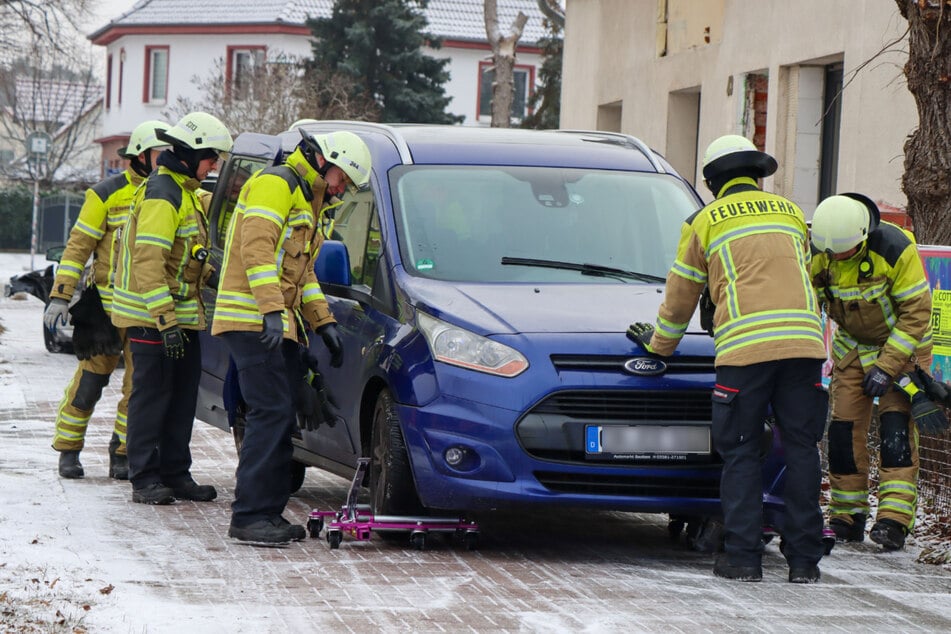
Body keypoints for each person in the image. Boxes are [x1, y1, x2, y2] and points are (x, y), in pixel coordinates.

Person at [627, 134, 829, 583]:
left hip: (745, 353)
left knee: (740, 454)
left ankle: (742, 559)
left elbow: (681, 297)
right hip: (805, 349)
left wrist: (659, 346)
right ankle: (804, 562)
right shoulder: (793, 214)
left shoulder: (705, 221)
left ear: (714, 181)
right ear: (757, 177)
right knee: (801, 450)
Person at [212, 129, 371, 544]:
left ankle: (266, 512)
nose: (341, 191)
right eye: (342, 181)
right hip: (251, 321)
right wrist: (268, 310)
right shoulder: (276, 184)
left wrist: (324, 323)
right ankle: (249, 517)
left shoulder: (307, 199)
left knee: (280, 415)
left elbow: (304, 274)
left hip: (272, 322)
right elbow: (257, 252)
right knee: (270, 413)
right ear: (326, 160)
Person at [111, 112, 232, 505]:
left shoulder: (182, 191)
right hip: (153, 318)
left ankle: (176, 473)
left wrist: (214, 277)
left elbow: (185, 256)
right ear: (192, 153)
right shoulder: (163, 193)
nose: (214, 165)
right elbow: (149, 262)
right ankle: (144, 477)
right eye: (212, 157)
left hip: (179, 315)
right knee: (152, 397)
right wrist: (165, 322)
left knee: (181, 398)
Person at [43, 120, 170, 480]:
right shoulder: (105, 193)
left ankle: (122, 453)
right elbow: (78, 246)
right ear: (142, 156)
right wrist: (60, 295)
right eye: (160, 154)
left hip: (144, 309)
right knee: (88, 385)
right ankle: (68, 450)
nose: (165, 161)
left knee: (138, 390)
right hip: (104, 310)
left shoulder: (165, 194)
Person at [810, 193, 934, 551]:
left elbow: (915, 314)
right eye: (830, 254)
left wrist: (886, 367)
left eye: (844, 252)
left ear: (864, 236)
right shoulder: (821, 251)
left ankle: (894, 521)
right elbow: (808, 300)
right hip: (852, 347)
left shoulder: (895, 250)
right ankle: (848, 515)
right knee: (844, 433)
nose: (835, 259)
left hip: (902, 348)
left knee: (895, 433)